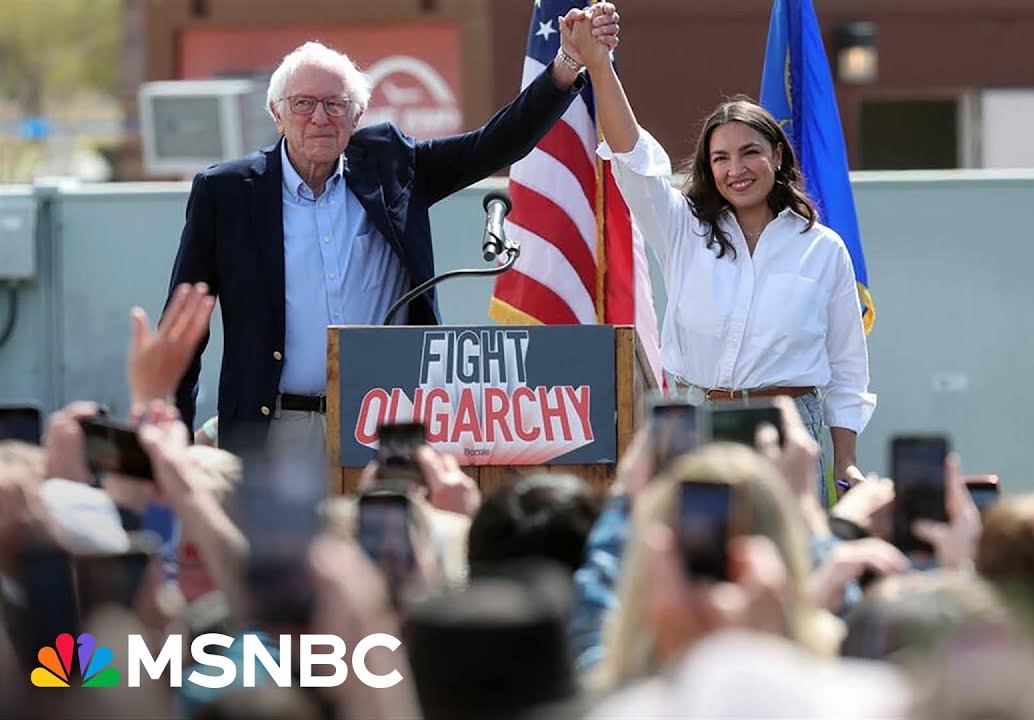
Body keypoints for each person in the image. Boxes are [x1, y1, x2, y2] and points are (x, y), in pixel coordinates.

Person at [163, 7, 621, 456]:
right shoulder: (226, 192)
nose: (320, 118)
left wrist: (565, 66)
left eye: (335, 104)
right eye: (303, 104)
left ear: (358, 114)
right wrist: (173, 449)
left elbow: (493, 144)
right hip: (276, 429)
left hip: (388, 424)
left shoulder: (392, 166)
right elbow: (183, 330)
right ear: (276, 113)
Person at [566, 15, 874, 505]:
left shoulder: (823, 248)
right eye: (720, 158)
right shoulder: (682, 227)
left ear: (777, 155)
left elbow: (847, 369)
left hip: (789, 432)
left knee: (789, 567)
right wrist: (600, 67)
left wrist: (848, 460)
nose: (736, 170)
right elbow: (632, 159)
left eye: (749, 153)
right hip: (694, 426)